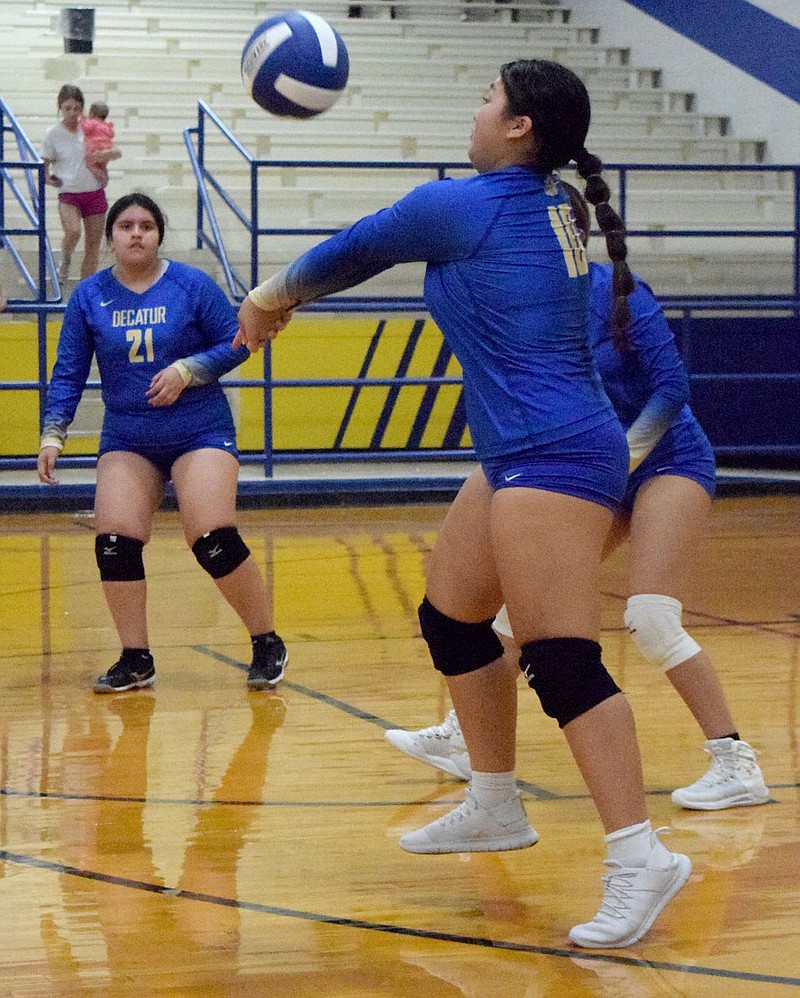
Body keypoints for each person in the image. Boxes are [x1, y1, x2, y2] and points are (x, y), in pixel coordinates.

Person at [235, 59, 691, 949]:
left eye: (489, 99)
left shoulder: (469, 205)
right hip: (527, 445)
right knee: (454, 620)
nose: (476, 111)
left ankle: (642, 857)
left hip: (552, 451)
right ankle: (493, 801)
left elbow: (353, 248)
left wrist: (266, 298)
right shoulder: (549, 199)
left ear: (520, 127)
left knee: (561, 658)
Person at [385, 183, 770, 813]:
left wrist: (616, 459)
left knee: (651, 616)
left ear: (572, 233)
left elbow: (672, 390)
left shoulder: (617, 294)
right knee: (519, 609)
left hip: (664, 460)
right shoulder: (514, 297)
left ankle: (735, 761)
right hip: (586, 467)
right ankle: (464, 739)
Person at [36, 193, 288, 694]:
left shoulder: (191, 285)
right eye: (125, 225)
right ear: (109, 236)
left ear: (158, 235)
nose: (136, 233)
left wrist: (188, 370)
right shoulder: (89, 297)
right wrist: (53, 433)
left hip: (199, 428)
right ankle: (136, 658)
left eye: (146, 226)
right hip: (129, 435)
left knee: (212, 536)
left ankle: (266, 641)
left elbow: (237, 342)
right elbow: (67, 373)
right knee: (114, 542)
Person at [41, 85, 121, 283]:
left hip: (93, 192)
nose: (72, 113)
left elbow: (116, 151)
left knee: (93, 245)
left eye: (77, 108)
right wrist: (47, 178)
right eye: (67, 108)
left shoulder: (91, 127)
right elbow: (44, 163)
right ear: (60, 107)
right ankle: (65, 258)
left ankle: (87, 287)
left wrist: (107, 154)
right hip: (69, 192)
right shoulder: (53, 133)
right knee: (73, 232)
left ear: (83, 109)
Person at [80, 101, 115, 188]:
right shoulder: (106, 125)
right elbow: (112, 135)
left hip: (94, 150)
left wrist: (83, 119)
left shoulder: (92, 123)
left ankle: (101, 176)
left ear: (91, 114)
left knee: (89, 164)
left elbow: (85, 129)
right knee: (102, 166)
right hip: (106, 151)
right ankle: (104, 176)